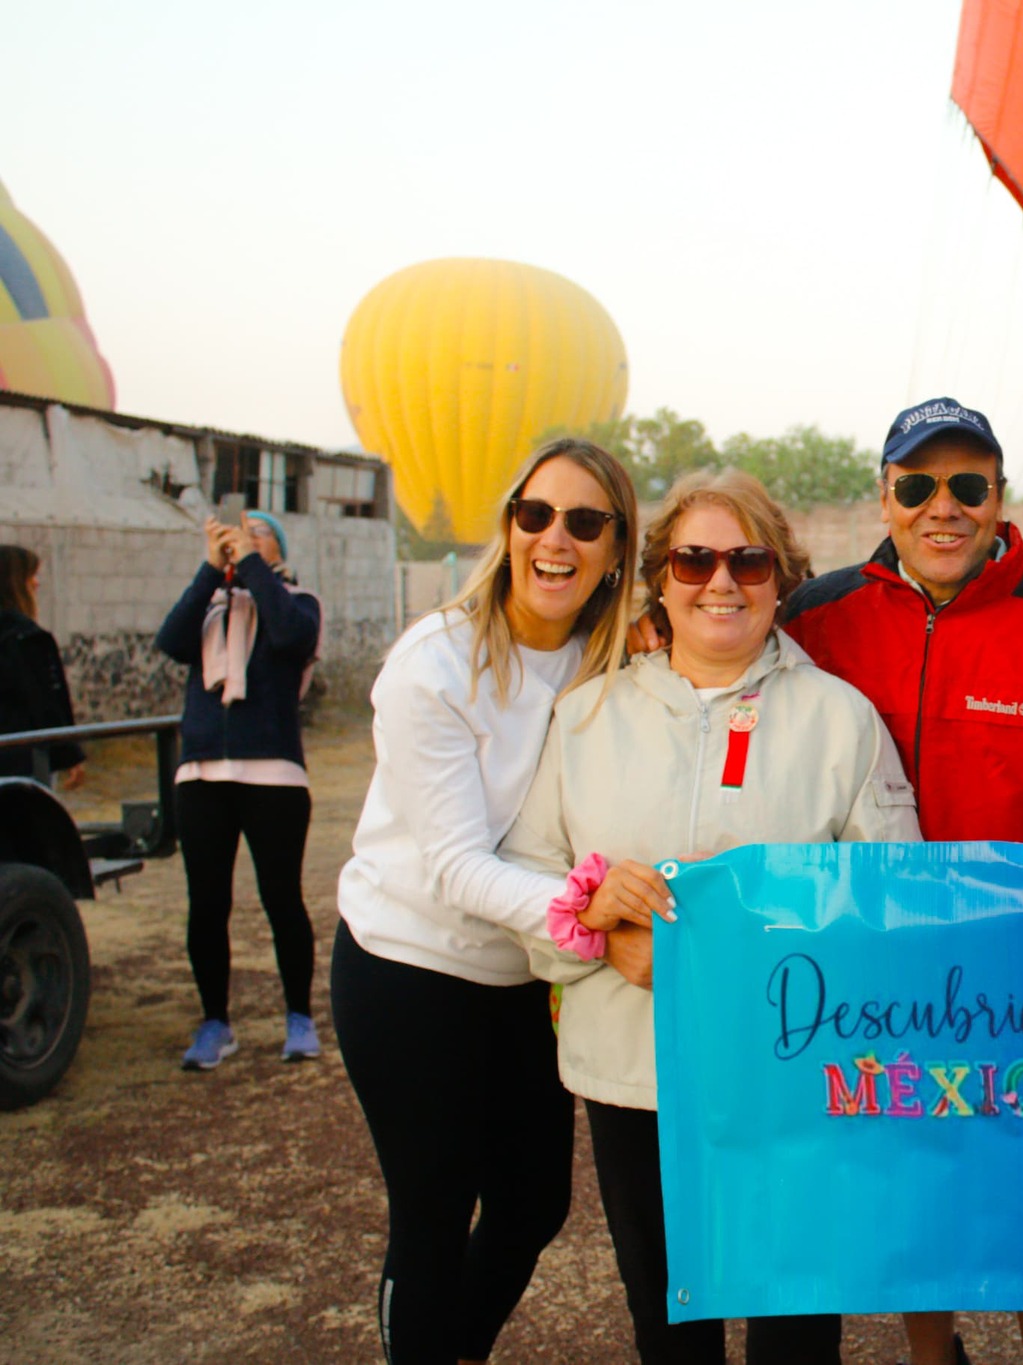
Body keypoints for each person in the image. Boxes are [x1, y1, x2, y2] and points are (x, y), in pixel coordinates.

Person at [782, 397, 1023, 1365]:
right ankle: (934, 1352)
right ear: (885, 497)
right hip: (879, 965)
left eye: (968, 486)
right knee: (916, 1178)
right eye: (917, 486)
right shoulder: (815, 620)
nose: (941, 507)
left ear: (1000, 498)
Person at [502, 468, 922, 1364]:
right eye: (693, 560)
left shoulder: (840, 720)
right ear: (659, 577)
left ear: (782, 577)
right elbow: (527, 877)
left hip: (795, 1079)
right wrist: (600, 928)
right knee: (669, 1326)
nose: (720, 581)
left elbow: (896, 896)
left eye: (749, 560)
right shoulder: (584, 718)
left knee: (798, 1327)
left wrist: (758, 936)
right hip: (634, 1073)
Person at [331, 438, 649, 1365]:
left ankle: (455, 1348)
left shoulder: (614, 659)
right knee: (432, 1212)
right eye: (535, 514)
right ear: (509, 529)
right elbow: (457, 868)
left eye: (584, 522)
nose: (556, 539)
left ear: (616, 549)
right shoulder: (435, 662)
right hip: (407, 968)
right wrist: (595, 909)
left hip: (516, 973)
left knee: (534, 1201)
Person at [154, 508, 323, 1070]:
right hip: (202, 772)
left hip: (273, 772)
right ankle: (214, 1023)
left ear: (277, 549)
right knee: (206, 905)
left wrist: (253, 568)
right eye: (236, 532)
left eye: (259, 533)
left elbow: (291, 637)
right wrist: (211, 570)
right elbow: (170, 641)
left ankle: (299, 1016)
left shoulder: (297, 602)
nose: (243, 539)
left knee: (281, 899)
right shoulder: (210, 604)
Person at [0, 545, 87, 789]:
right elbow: (44, 701)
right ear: (15, 583)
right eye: (31, 576)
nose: (37, 584)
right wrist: (70, 753)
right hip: (22, 761)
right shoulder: (27, 639)